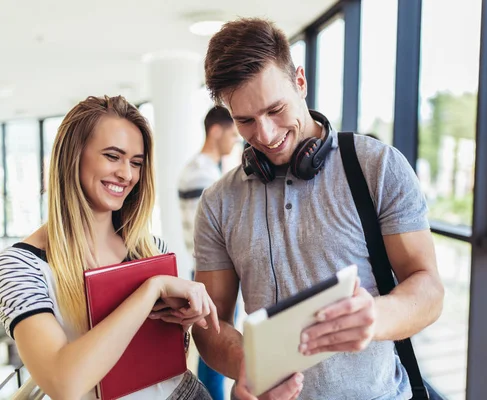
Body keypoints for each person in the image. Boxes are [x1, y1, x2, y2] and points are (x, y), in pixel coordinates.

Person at [190, 18, 444, 400]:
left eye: (276, 109)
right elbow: (211, 325)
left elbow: (429, 289)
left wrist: (376, 317)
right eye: (245, 121)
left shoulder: (378, 167)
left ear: (301, 82)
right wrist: (250, 365)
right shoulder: (217, 202)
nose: (266, 135)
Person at [0, 95, 219, 400]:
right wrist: (151, 290)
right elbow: (64, 383)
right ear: (73, 156)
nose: (127, 174)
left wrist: (181, 324)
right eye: (112, 156)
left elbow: (161, 357)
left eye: (136, 163)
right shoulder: (22, 265)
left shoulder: (150, 247)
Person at [178, 105, 240, 400]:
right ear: (216, 131)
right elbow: (210, 236)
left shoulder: (211, 171)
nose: (235, 140)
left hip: (213, 271)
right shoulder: (200, 174)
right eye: (231, 133)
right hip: (208, 273)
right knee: (214, 355)